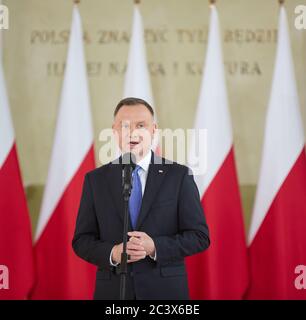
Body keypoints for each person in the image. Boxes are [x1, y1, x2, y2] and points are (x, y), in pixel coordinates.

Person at [72, 97, 210, 300]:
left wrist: (154, 246)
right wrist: (114, 253)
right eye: (125, 125)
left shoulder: (178, 176)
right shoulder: (95, 180)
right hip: (113, 293)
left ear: (153, 130)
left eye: (141, 125)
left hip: (165, 294)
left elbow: (199, 236)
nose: (133, 132)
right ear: (115, 131)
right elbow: (82, 240)